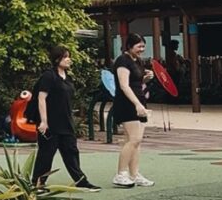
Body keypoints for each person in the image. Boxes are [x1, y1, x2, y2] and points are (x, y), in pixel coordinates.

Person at [30, 45, 101, 191]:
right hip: (51, 123)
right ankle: (38, 183)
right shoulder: (49, 76)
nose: (69, 60)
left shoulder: (67, 78)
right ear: (57, 59)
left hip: (66, 122)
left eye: (69, 57)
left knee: (71, 151)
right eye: (65, 57)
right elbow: (41, 98)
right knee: (46, 153)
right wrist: (43, 121)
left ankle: (81, 180)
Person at [111, 33, 154, 188]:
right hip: (127, 103)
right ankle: (121, 173)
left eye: (143, 46)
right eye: (138, 46)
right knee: (133, 139)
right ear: (129, 46)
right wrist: (137, 104)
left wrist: (146, 78)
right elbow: (124, 85)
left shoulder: (138, 61)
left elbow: (135, 81)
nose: (141, 49)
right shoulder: (122, 60)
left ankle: (134, 174)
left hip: (139, 100)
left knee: (137, 141)